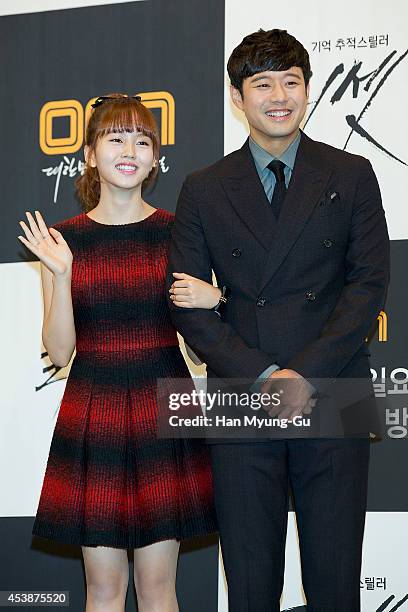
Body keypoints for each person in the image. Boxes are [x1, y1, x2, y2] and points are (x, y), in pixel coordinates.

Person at [167, 30, 390, 612]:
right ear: (237, 97)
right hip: (244, 389)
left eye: (291, 81)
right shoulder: (203, 188)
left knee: (338, 578)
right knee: (249, 579)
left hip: (336, 384)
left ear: (309, 90)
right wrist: (267, 376)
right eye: (262, 83)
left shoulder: (353, 172)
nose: (279, 95)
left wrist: (301, 374)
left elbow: (368, 286)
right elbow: (188, 305)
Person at [18, 93, 220, 612]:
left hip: (163, 404)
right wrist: (61, 276)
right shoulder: (62, 242)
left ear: (155, 157)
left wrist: (216, 298)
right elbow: (60, 351)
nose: (129, 149)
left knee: (159, 589)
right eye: (115, 137)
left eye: (142, 139)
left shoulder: (181, 233)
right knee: (103, 591)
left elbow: (203, 342)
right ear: (89, 154)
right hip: (95, 407)